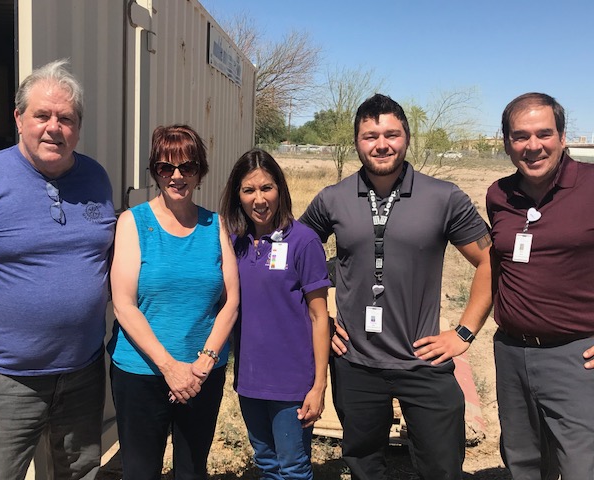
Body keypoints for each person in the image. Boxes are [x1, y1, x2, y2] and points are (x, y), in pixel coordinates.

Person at [299, 93, 493, 480]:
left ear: (407, 137)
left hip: (424, 360)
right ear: (356, 142)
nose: (381, 144)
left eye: (391, 134)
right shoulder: (332, 199)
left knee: (441, 467)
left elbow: (490, 261)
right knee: (364, 465)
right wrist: (319, 323)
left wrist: (464, 332)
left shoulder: (443, 197)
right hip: (355, 361)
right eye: (370, 136)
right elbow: (295, 257)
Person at [0, 59, 116, 479]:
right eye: (42, 115)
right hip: (4, 379)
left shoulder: (96, 178)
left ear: (78, 126)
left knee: (80, 473)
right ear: (18, 118)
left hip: (82, 371)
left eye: (66, 118)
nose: (53, 128)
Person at [107, 124, 239, 480]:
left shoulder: (216, 225)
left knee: (192, 471)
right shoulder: (133, 223)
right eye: (166, 167)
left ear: (200, 172)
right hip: (142, 372)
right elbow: (123, 304)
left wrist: (205, 362)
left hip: (201, 375)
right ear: (155, 171)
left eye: (187, 167)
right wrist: (169, 367)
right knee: (141, 472)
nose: (177, 176)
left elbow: (231, 302)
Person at [487, 92, 594, 480]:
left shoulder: (590, 185)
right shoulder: (499, 194)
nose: (533, 146)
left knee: (581, 466)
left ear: (562, 137)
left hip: (576, 355)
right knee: (524, 463)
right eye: (520, 136)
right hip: (511, 352)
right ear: (506, 143)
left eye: (544, 133)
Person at [219, 148, 331, 479]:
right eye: (249, 190)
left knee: (293, 467)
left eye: (266, 188)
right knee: (266, 462)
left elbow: (319, 317)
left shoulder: (303, 241)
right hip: (250, 379)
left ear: (280, 189)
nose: (259, 199)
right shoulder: (234, 243)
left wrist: (319, 385)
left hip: (292, 382)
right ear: (237, 196)